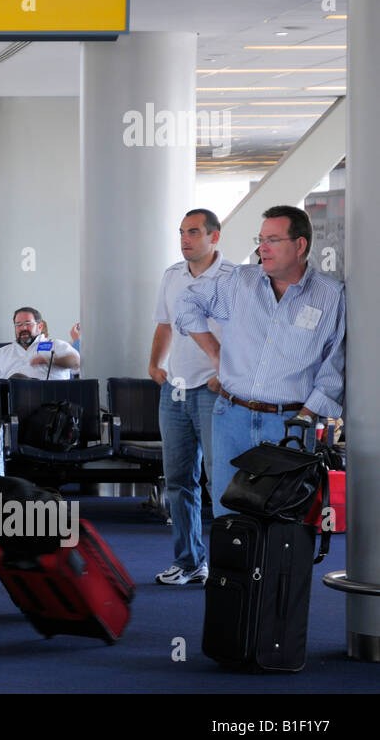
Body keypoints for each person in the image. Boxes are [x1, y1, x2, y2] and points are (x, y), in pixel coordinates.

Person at [175, 205, 345, 517]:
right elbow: (187, 303)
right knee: (229, 519)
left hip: (289, 425)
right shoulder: (240, 282)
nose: (262, 247)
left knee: (286, 521)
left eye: (273, 240)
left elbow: (332, 371)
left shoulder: (330, 296)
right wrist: (215, 353)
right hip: (231, 416)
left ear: (300, 245)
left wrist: (305, 419)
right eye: (261, 239)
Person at [148, 208, 236, 586]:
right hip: (175, 391)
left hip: (214, 391)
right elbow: (164, 324)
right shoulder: (172, 276)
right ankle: (189, 563)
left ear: (214, 237)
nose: (185, 239)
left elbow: (245, 333)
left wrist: (225, 374)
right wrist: (154, 364)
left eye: (194, 232)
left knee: (221, 482)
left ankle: (229, 567)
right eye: (181, 232)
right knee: (178, 481)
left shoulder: (236, 278)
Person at [0, 307, 80, 381]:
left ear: (40, 326)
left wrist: (51, 361)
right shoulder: (2, 353)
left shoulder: (55, 345)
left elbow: (75, 362)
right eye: (18, 324)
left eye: (28, 323)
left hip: (51, 404)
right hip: (12, 405)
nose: (23, 328)